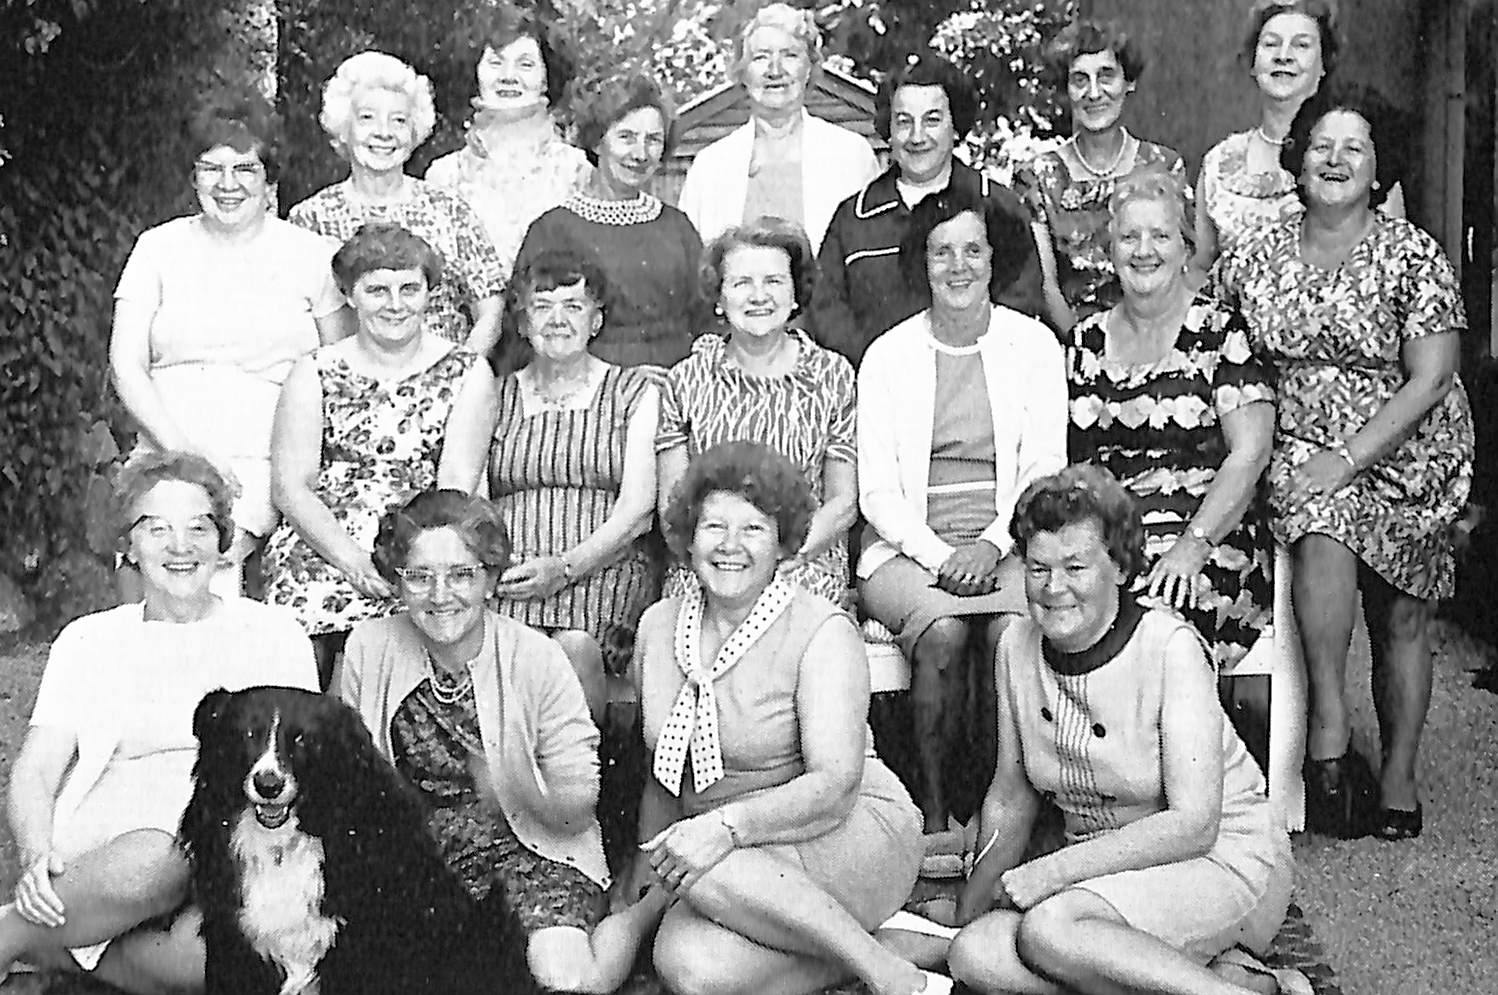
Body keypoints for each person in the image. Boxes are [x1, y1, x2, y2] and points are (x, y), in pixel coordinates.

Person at [1215, 86, 1473, 841]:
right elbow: (1212, 344)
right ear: (1299, 160)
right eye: (1322, 145)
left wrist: (1351, 456)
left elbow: (1430, 378)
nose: (1334, 160)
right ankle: (1328, 726)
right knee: (1320, 521)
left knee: (1401, 609)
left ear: (1377, 167)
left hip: (1407, 446)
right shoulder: (1255, 254)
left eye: (1353, 148)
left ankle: (1398, 773)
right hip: (1299, 444)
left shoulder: (1411, 252)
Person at [948, 464, 1303, 995]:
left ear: (1119, 566)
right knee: (975, 954)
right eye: (1038, 568)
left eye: (1076, 567)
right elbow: (1011, 795)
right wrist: (970, 909)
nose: (1054, 589)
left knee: (1050, 931)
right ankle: (1244, 983)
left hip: (1221, 860)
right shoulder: (1015, 646)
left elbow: (1194, 825)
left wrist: (1053, 872)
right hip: (1098, 882)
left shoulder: (1168, 646)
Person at [0, 451, 318, 991]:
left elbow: (305, 762)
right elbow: (36, 769)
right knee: (164, 854)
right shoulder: (89, 639)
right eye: (157, 528)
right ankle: (13, 933)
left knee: (237, 968)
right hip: (116, 851)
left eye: (199, 527)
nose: (180, 546)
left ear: (222, 543)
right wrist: (35, 853)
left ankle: (53, 946)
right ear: (128, 544)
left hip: (233, 851)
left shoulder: (274, 633)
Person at [337, 489, 665, 994]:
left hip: (534, 849)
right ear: (397, 579)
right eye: (420, 576)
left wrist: (514, 785)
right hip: (420, 860)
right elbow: (354, 783)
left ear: (491, 579)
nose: (439, 594)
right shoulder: (368, 647)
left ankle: (638, 919)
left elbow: (578, 807)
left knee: (569, 981)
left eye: (461, 574)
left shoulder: (537, 659)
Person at [632, 441, 930, 995]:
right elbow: (662, 773)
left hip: (841, 829)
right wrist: (642, 880)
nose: (730, 547)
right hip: (726, 860)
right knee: (688, 968)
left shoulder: (821, 629)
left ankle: (885, 972)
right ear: (688, 537)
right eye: (714, 527)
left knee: (708, 869)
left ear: (783, 544)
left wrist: (722, 830)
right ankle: (876, 946)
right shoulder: (658, 625)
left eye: (753, 530)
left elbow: (835, 786)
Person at [858, 185, 1066, 843]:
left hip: (1009, 539)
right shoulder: (888, 355)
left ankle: (1004, 806)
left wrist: (992, 543)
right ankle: (932, 808)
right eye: (941, 250)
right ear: (920, 261)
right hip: (907, 548)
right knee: (943, 635)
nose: (957, 266)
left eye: (972, 249)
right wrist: (942, 556)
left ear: (992, 257)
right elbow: (878, 493)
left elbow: (1044, 467)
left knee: (1011, 629)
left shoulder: (1032, 346)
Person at [110, 91, 345, 597]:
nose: (228, 185)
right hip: (165, 448)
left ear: (269, 179)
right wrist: (183, 450)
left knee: (208, 546)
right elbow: (126, 365)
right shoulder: (158, 248)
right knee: (163, 533)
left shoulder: (310, 256)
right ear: (193, 177)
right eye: (211, 169)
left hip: (266, 461)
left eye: (245, 169)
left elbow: (340, 371)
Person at [263, 223, 495, 683]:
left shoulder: (466, 372)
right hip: (324, 545)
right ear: (350, 295)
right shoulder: (315, 370)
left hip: (421, 546)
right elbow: (291, 486)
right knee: (298, 644)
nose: (394, 304)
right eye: (377, 290)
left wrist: (402, 563)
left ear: (430, 294)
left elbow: (453, 491)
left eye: (409, 288)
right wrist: (352, 561)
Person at [1066, 168, 1274, 669]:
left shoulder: (1220, 331)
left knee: (1158, 622)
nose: (1144, 250)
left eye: (1160, 236)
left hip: (1207, 536)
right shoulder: (1085, 341)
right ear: (1109, 250)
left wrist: (1192, 547)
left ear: (1184, 250)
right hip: (1112, 535)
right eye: (1129, 237)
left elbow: (1250, 454)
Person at [489, 249, 661, 722]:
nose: (558, 320)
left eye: (574, 306)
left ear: (597, 321)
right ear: (522, 323)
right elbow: (471, 498)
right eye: (542, 307)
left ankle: (580, 788)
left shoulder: (634, 392)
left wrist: (565, 569)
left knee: (574, 646)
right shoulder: (493, 394)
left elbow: (638, 510)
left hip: (603, 568)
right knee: (508, 649)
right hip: (512, 574)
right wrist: (498, 568)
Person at [658, 218, 857, 607]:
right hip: (708, 565)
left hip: (802, 562)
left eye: (774, 281)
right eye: (742, 283)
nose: (758, 296)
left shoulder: (833, 375)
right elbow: (673, 503)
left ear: (796, 294)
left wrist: (778, 557)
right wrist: (722, 559)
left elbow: (843, 502)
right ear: (719, 297)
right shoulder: (686, 379)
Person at [814, 50, 1045, 367]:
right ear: (889, 130)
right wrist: (879, 369)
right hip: (877, 390)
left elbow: (1021, 302)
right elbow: (827, 311)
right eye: (904, 122)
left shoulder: (996, 204)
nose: (917, 137)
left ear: (956, 125)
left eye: (932, 120)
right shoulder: (853, 218)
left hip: (977, 387)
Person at [290, 50, 505, 356]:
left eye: (399, 120)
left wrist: (460, 374)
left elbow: (492, 308)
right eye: (367, 118)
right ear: (343, 126)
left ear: (414, 130)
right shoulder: (309, 219)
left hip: (444, 389)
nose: (384, 132)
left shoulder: (449, 210)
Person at [512, 73, 705, 373]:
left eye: (653, 140)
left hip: (675, 386)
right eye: (626, 137)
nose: (640, 154)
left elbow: (705, 320)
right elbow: (525, 334)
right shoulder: (553, 230)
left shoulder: (677, 227)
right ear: (598, 141)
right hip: (588, 395)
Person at [1193, 1, 1402, 273]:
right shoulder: (1218, 163)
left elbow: (1393, 264)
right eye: (1270, 44)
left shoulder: (1362, 162)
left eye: (1301, 45)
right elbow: (1199, 270)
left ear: (1325, 63)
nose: (1283, 56)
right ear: (1253, 62)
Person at [1016, 19, 1188, 331]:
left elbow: (1183, 270)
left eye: (1106, 76)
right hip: (1076, 349)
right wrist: (1087, 352)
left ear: (1128, 82)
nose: (1094, 93)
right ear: (1066, 89)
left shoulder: (1165, 166)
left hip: (1160, 340)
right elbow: (1047, 287)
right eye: (1080, 80)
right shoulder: (1038, 177)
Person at [676, 2, 879, 254]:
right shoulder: (710, 166)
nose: (775, 70)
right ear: (742, 71)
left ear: (810, 67)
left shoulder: (851, 156)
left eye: (790, 55)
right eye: (761, 57)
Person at [427, 4, 592, 284]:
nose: (508, 76)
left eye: (525, 64)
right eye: (495, 62)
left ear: (546, 77)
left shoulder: (576, 171)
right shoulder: (444, 176)